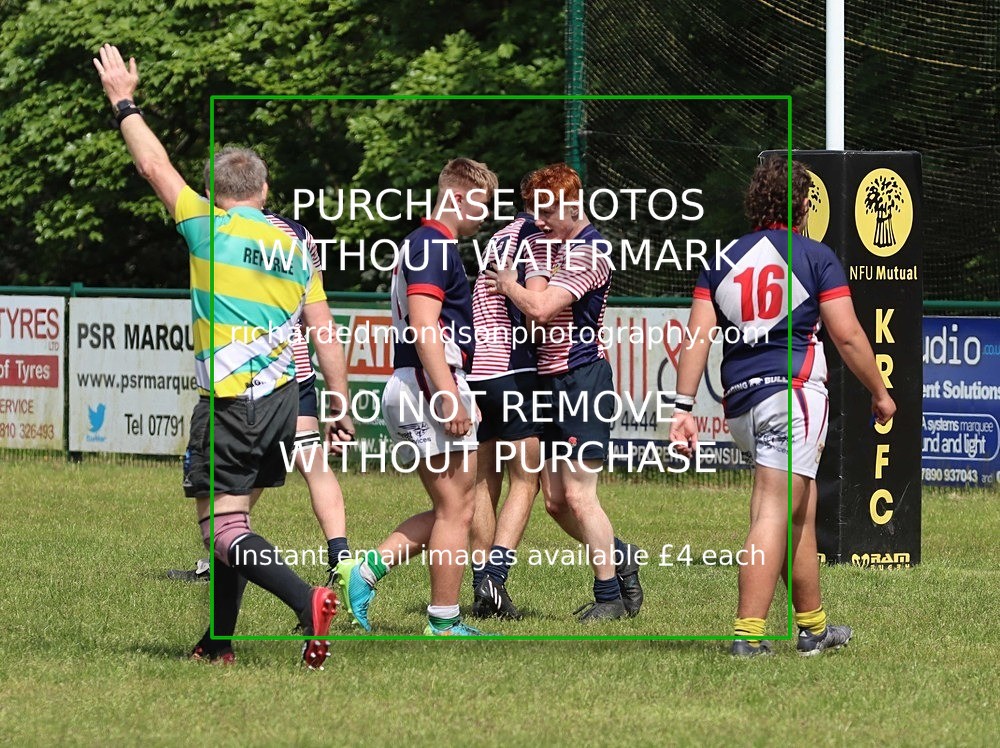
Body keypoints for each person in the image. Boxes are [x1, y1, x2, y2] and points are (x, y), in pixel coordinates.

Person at [94, 44, 353, 667]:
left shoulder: (205, 226)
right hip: (285, 401)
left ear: (213, 190)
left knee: (222, 529)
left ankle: (304, 600)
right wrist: (339, 402)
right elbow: (323, 331)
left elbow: (154, 165)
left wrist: (123, 101)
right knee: (232, 524)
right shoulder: (295, 249)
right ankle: (219, 644)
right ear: (264, 190)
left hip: (231, 403)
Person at [669, 156, 896, 656]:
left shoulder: (723, 259)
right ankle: (748, 637)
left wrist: (683, 407)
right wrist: (880, 392)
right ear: (804, 204)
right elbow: (850, 336)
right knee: (773, 513)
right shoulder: (815, 256)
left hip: (743, 404)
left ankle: (813, 629)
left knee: (800, 514)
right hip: (792, 394)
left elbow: (697, 339)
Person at [335, 158, 498, 636]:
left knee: (456, 506)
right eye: (482, 205)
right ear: (459, 196)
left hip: (425, 382)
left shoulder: (430, 244)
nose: (484, 216)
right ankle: (443, 621)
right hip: (425, 384)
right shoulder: (432, 246)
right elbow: (426, 328)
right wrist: (448, 394)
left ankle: (362, 572)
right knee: (456, 510)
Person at [485, 163, 643, 622]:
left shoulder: (589, 252)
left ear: (572, 206)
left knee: (578, 495)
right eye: (533, 211)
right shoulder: (557, 246)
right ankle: (619, 556)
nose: (538, 220)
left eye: (546, 211)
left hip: (582, 379)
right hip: (551, 381)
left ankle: (609, 596)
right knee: (553, 500)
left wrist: (508, 281)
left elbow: (539, 308)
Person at [466, 173, 550, 620]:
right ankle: (495, 580)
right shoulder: (535, 239)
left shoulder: (498, 237)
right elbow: (535, 310)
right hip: (513, 371)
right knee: (527, 479)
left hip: (478, 371)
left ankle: (480, 583)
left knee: (483, 479)